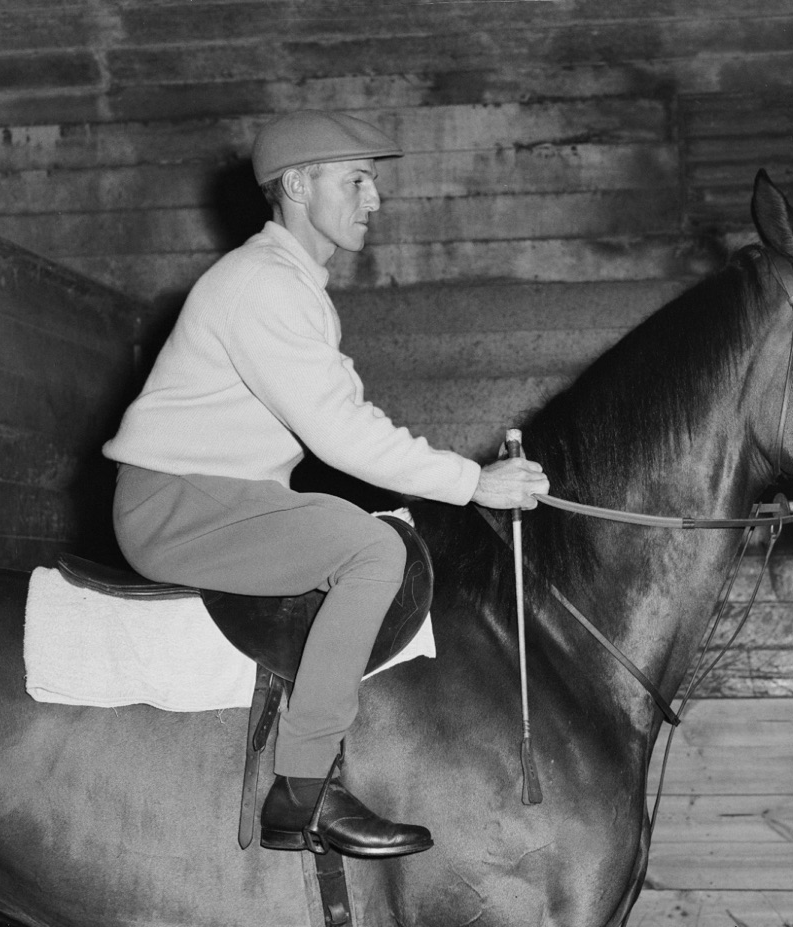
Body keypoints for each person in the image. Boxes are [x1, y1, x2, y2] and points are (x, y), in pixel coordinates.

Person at [103, 109, 548, 859]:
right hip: (174, 501)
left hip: (224, 495)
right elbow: (342, 434)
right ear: (299, 186)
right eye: (357, 181)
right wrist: (475, 482)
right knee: (374, 551)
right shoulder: (263, 285)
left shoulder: (293, 285)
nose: (375, 199)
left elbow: (347, 418)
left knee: (378, 531)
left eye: (371, 182)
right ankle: (302, 792)